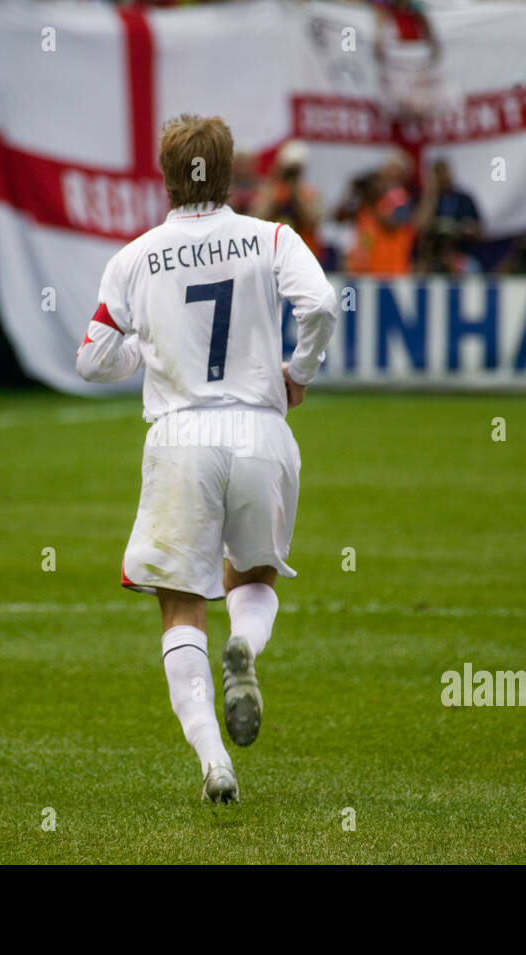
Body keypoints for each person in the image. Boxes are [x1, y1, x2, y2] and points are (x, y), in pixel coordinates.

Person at [75, 115, 338, 804]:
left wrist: (146, 352)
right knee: (253, 576)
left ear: (165, 173)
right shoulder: (270, 237)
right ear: (230, 174)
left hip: (181, 436)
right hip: (260, 428)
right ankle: (245, 645)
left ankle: (215, 762)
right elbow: (322, 303)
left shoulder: (134, 256)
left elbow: (92, 358)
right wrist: (299, 369)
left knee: (181, 604)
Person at [252, 140, 323, 261]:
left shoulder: (309, 193)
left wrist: (296, 193)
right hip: (271, 257)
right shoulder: (270, 190)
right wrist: (276, 192)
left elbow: (311, 221)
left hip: (303, 257)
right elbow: (257, 218)